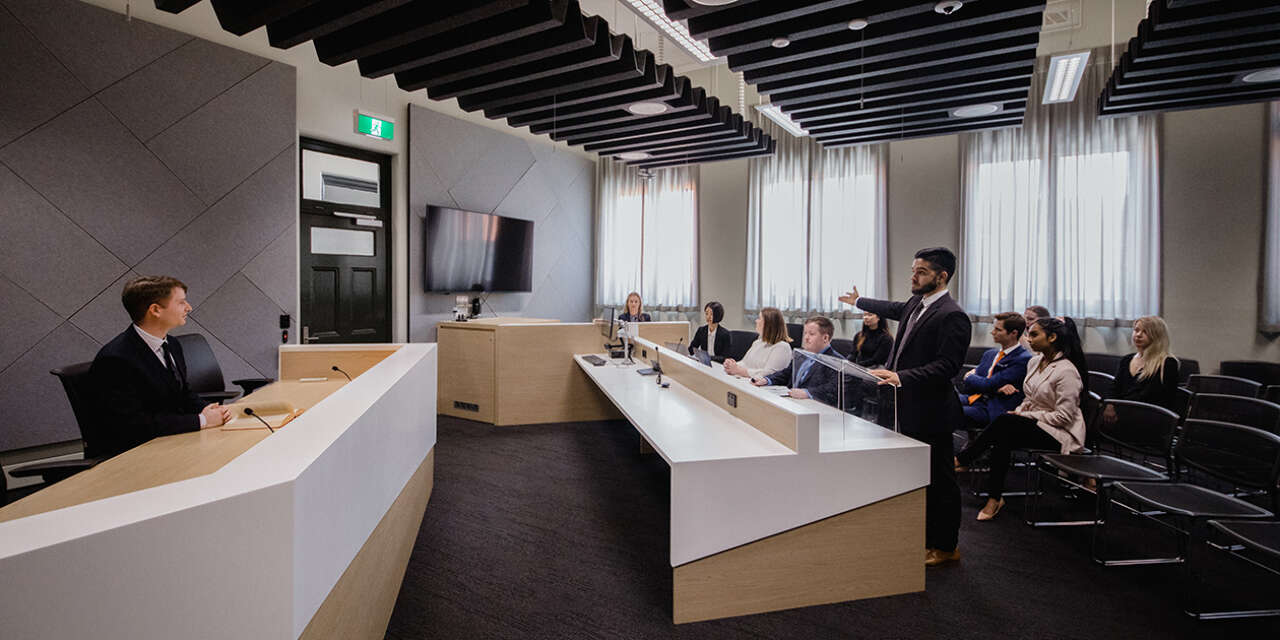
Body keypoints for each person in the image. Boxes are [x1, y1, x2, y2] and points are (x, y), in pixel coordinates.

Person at [839, 247, 971, 567]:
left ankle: (945, 545)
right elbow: (893, 307)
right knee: (911, 473)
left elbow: (947, 366)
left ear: (942, 276)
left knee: (940, 480)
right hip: (904, 406)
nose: (913, 276)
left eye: (922, 271)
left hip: (932, 410)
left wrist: (900, 376)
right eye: (913, 269)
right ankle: (920, 535)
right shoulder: (916, 303)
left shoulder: (952, 315)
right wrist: (859, 301)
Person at [954, 317, 1088, 521]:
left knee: (1006, 423)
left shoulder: (1067, 371)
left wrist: (1025, 414)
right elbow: (1029, 397)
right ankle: (994, 497)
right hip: (1034, 423)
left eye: (1034, 334)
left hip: (1059, 433)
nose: (1028, 338)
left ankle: (964, 460)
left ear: (1052, 338)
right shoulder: (1035, 362)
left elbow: (1064, 416)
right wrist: (1021, 411)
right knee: (1003, 436)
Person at [90, 276, 231, 459]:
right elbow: (134, 426)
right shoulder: (115, 359)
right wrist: (201, 420)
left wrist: (208, 410)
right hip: (136, 456)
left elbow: (183, 394)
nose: (188, 307)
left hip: (172, 442)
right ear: (155, 310)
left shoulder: (172, 344)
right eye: (181, 302)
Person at [956, 312, 1031, 430]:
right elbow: (971, 387)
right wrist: (995, 388)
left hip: (990, 406)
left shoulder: (1022, 359)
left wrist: (969, 376)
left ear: (1013, 333)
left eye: (998, 330)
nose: (993, 332)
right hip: (972, 398)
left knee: (949, 413)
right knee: (936, 403)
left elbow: (987, 384)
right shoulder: (989, 354)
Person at [752, 316, 842, 405]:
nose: (806, 338)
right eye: (805, 333)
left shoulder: (836, 362)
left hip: (815, 407)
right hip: (793, 402)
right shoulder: (801, 354)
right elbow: (787, 373)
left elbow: (833, 389)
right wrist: (767, 380)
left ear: (825, 338)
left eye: (811, 334)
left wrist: (807, 393)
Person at [1107, 316, 1180, 413]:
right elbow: (1114, 389)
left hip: (1148, 417)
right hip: (1123, 413)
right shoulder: (1126, 360)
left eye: (1145, 332)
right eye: (1136, 330)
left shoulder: (1167, 363)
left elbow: (1152, 398)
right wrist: (1109, 405)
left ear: (1157, 335)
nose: (1138, 335)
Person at [723, 307, 792, 379]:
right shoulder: (757, 342)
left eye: (759, 318)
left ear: (768, 324)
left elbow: (769, 373)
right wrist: (732, 365)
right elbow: (745, 363)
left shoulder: (782, 347)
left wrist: (739, 371)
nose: (756, 321)